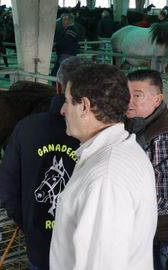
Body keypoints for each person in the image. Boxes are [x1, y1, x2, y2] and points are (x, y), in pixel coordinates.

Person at [50, 63, 158, 269]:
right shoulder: (124, 149)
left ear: (84, 107)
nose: (63, 110)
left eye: (67, 101)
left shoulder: (105, 179)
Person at [0, 56, 90, 270]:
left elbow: (6, 182)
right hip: (83, 251)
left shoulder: (27, 127)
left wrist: (26, 219)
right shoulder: (100, 133)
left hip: (40, 245)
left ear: (57, 86)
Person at [125, 69, 168, 270]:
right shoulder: (136, 124)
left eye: (137, 95)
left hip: (160, 234)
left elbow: (164, 198)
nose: (129, 101)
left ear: (157, 100)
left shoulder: (162, 135)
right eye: (127, 94)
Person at [50, 13, 80, 77]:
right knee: (58, 74)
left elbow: (65, 42)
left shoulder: (71, 30)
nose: (63, 22)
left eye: (64, 20)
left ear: (69, 21)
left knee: (60, 74)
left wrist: (55, 46)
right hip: (67, 54)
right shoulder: (71, 29)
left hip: (66, 55)